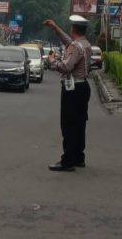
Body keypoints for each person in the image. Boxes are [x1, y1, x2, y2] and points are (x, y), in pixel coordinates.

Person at [43, 15, 92, 172]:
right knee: (79, 123)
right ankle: (78, 157)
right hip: (82, 86)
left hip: (73, 89)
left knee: (68, 125)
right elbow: (68, 42)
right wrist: (56, 28)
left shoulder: (76, 47)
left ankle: (68, 161)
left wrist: (52, 62)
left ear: (73, 29)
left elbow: (65, 68)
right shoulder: (85, 44)